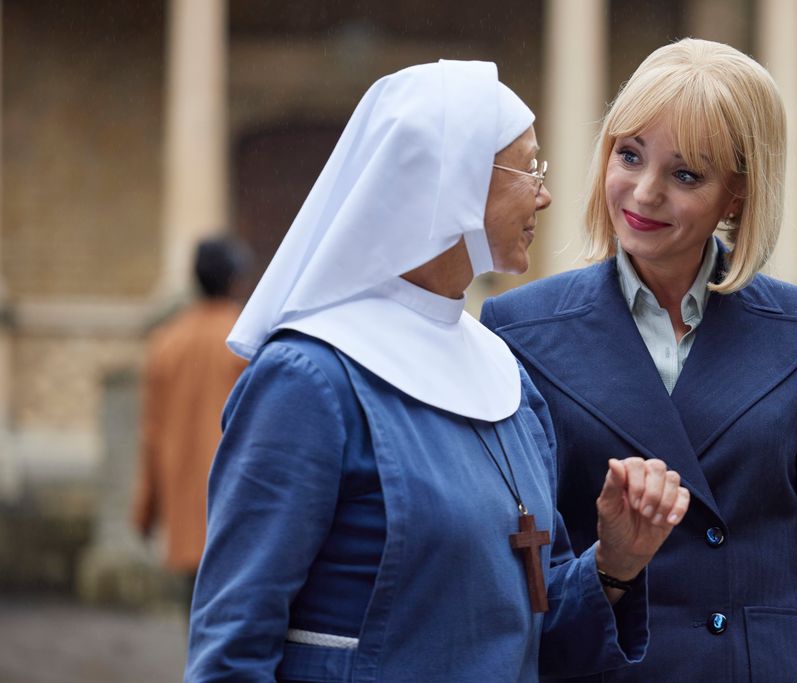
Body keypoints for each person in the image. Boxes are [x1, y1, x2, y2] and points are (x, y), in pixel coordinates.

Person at [185, 60, 692, 683]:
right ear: (452, 181)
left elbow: (538, 633)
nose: (544, 193)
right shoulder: (310, 380)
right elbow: (232, 650)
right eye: (528, 168)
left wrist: (615, 561)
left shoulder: (507, 377)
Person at [482, 39, 797, 682]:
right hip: (612, 664)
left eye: (685, 174)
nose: (643, 193)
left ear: (737, 196)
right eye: (629, 155)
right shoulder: (517, 330)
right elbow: (522, 576)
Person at [133, 237, 251, 617]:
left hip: (185, 504)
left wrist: (145, 510)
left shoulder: (167, 342)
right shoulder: (246, 339)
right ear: (235, 280)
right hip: (237, 504)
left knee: (195, 622)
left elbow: (151, 432)